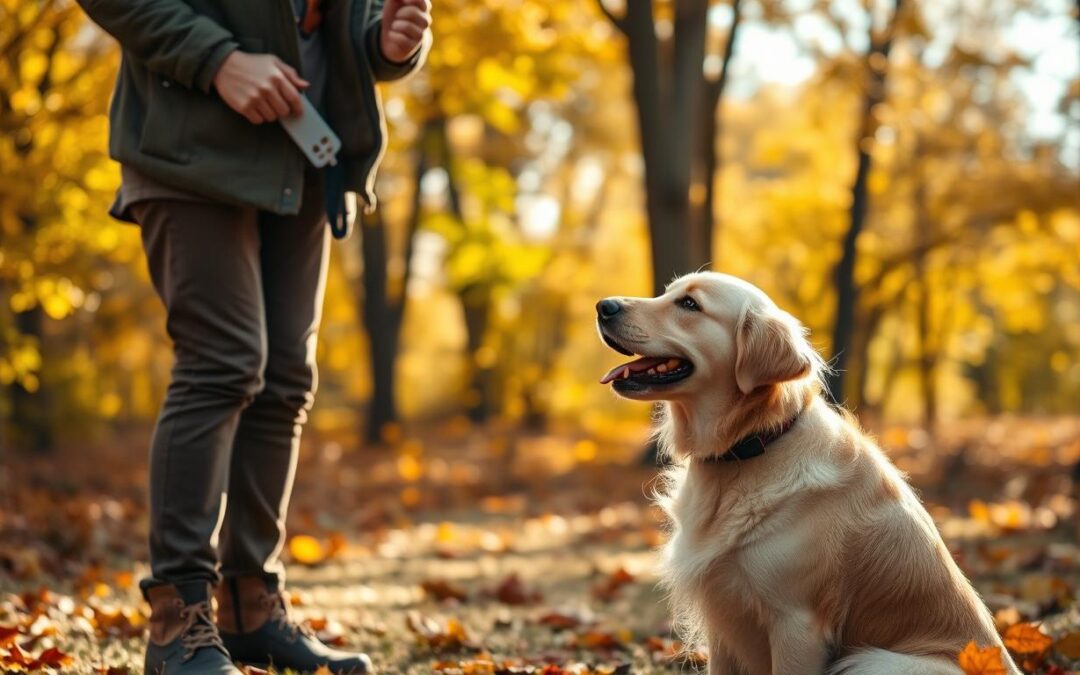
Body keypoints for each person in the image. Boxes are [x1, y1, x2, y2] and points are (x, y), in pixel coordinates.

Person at [74, 0, 431, 671]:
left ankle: (250, 608)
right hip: (192, 148)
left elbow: (343, 26)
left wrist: (386, 44)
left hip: (305, 146)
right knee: (224, 363)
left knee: (286, 380)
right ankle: (176, 621)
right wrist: (217, 61)